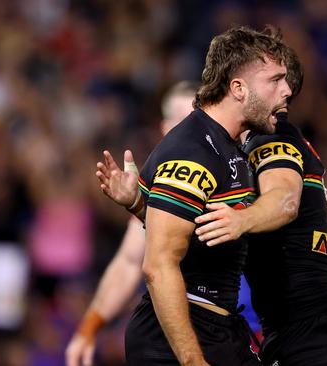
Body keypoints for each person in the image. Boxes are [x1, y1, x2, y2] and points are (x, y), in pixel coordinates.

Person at [96, 26, 293, 366]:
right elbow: (158, 265)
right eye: (275, 80)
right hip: (179, 337)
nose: (287, 90)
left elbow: (191, 226)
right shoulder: (192, 152)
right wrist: (192, 361)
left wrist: (139, 205)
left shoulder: (225, 142)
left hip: (219, 326)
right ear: (238, 88)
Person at [194, 47, 327, 365]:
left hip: (311, 339)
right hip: (308, 333)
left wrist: (240, 221)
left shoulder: (271, 139)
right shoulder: (269, 142)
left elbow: (285, 200)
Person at [64, 81, 198, 366]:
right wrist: (89, 328)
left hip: (242, 334)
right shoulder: (160, 188)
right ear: (165, 127)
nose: (194, 130)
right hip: (178, 338)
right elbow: (128, 262)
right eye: (184, 120)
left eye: (200, 120)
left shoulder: (236, 175)